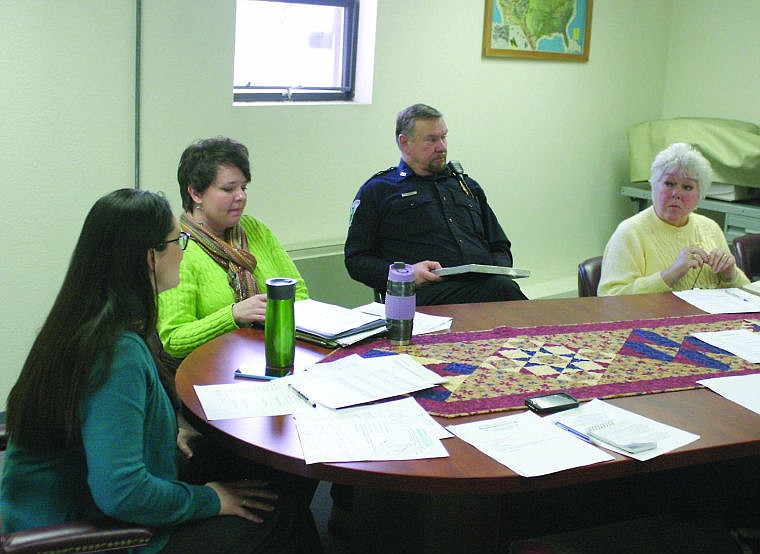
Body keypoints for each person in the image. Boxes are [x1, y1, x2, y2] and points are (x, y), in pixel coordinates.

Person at [0, 189, 322, 553]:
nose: (183, 251)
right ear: (150, 258)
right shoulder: (116, 352)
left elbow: (101, 426)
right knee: (282, 519)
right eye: (178, 241)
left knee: (267, 472)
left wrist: (160, 435)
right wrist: (209, 500)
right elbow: (122, 492)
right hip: (93, 533)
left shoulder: (80, 321)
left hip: (74, 497)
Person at [344, 103, 526, 305]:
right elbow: (357, 260)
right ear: (405, 143)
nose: (442, 147)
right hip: (423, 295)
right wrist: (407, 273)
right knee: (502, 292)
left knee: (502, 287)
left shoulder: (466, 185)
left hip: (484, 286)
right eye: (431, 140)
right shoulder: (379, 190)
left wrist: (497, 270)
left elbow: (499, 245)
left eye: (444, 137)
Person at [158, 136, 308, 360]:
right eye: (229, 189)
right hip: (212, 369)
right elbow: (175, 339)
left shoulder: (255, 229)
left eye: (244, 187)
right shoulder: (178, 246)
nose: (241, 197)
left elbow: (301, 295)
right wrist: (234, 315)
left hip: (270, 354)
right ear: (196, 193)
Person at [598, 142, 749, 295]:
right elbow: (610, 298)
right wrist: (671, 274)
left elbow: (750, 296)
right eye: (669, 184)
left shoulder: (710, 228)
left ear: (699, 196)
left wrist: (730, 275)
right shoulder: (630, 232)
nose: (677, 193)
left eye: (687, 187)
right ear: (654, 186)